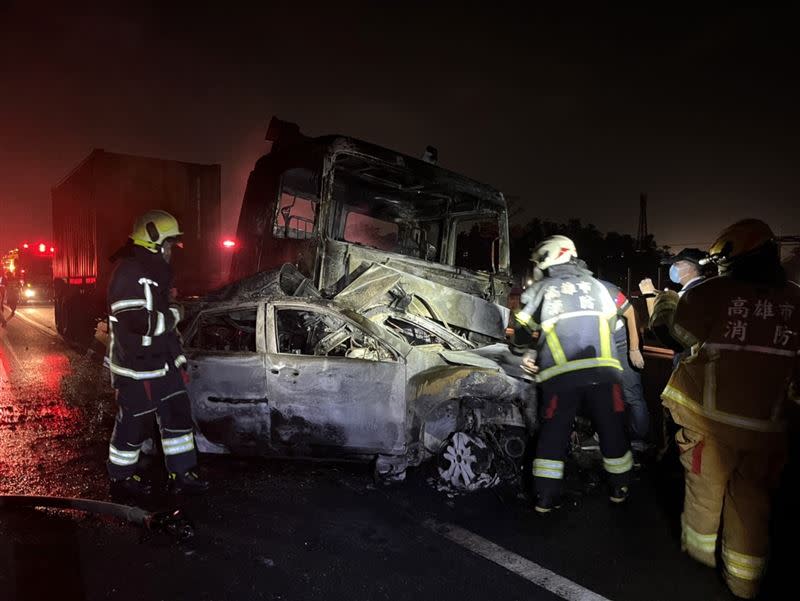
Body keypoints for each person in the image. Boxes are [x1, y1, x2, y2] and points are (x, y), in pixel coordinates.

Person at [650, 219, 799, 599]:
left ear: (730, 257)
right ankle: (743, 583)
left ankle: (697, 572)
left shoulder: (713, 293)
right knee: (752, 506)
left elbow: (674, 335)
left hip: (709, 424)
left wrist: (664, 303)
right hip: (768, 430)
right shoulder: (795, 300)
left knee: (705, 498)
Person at [514, 235, 633, 513]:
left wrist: (528, 349)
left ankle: (545, 498)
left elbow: (520, 332)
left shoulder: (542, 289)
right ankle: (620, 488)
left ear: (546, 258)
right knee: (612, 430)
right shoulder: (598, 287)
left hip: (561, 377)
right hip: (605, 374)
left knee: (554, 434)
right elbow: (614, 327)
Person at [105, 209, 208, 498]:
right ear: (153, 242)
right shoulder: (128, 273)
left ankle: (182, 473)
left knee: (178, 416)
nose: (171, 250)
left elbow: (165, 331)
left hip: (163, 367)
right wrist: (175, 313)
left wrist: (179, 361)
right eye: (169, 244)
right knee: (133, 425)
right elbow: (137, 321)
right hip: (136, 370)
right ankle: (122, 479)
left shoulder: (156, 274)